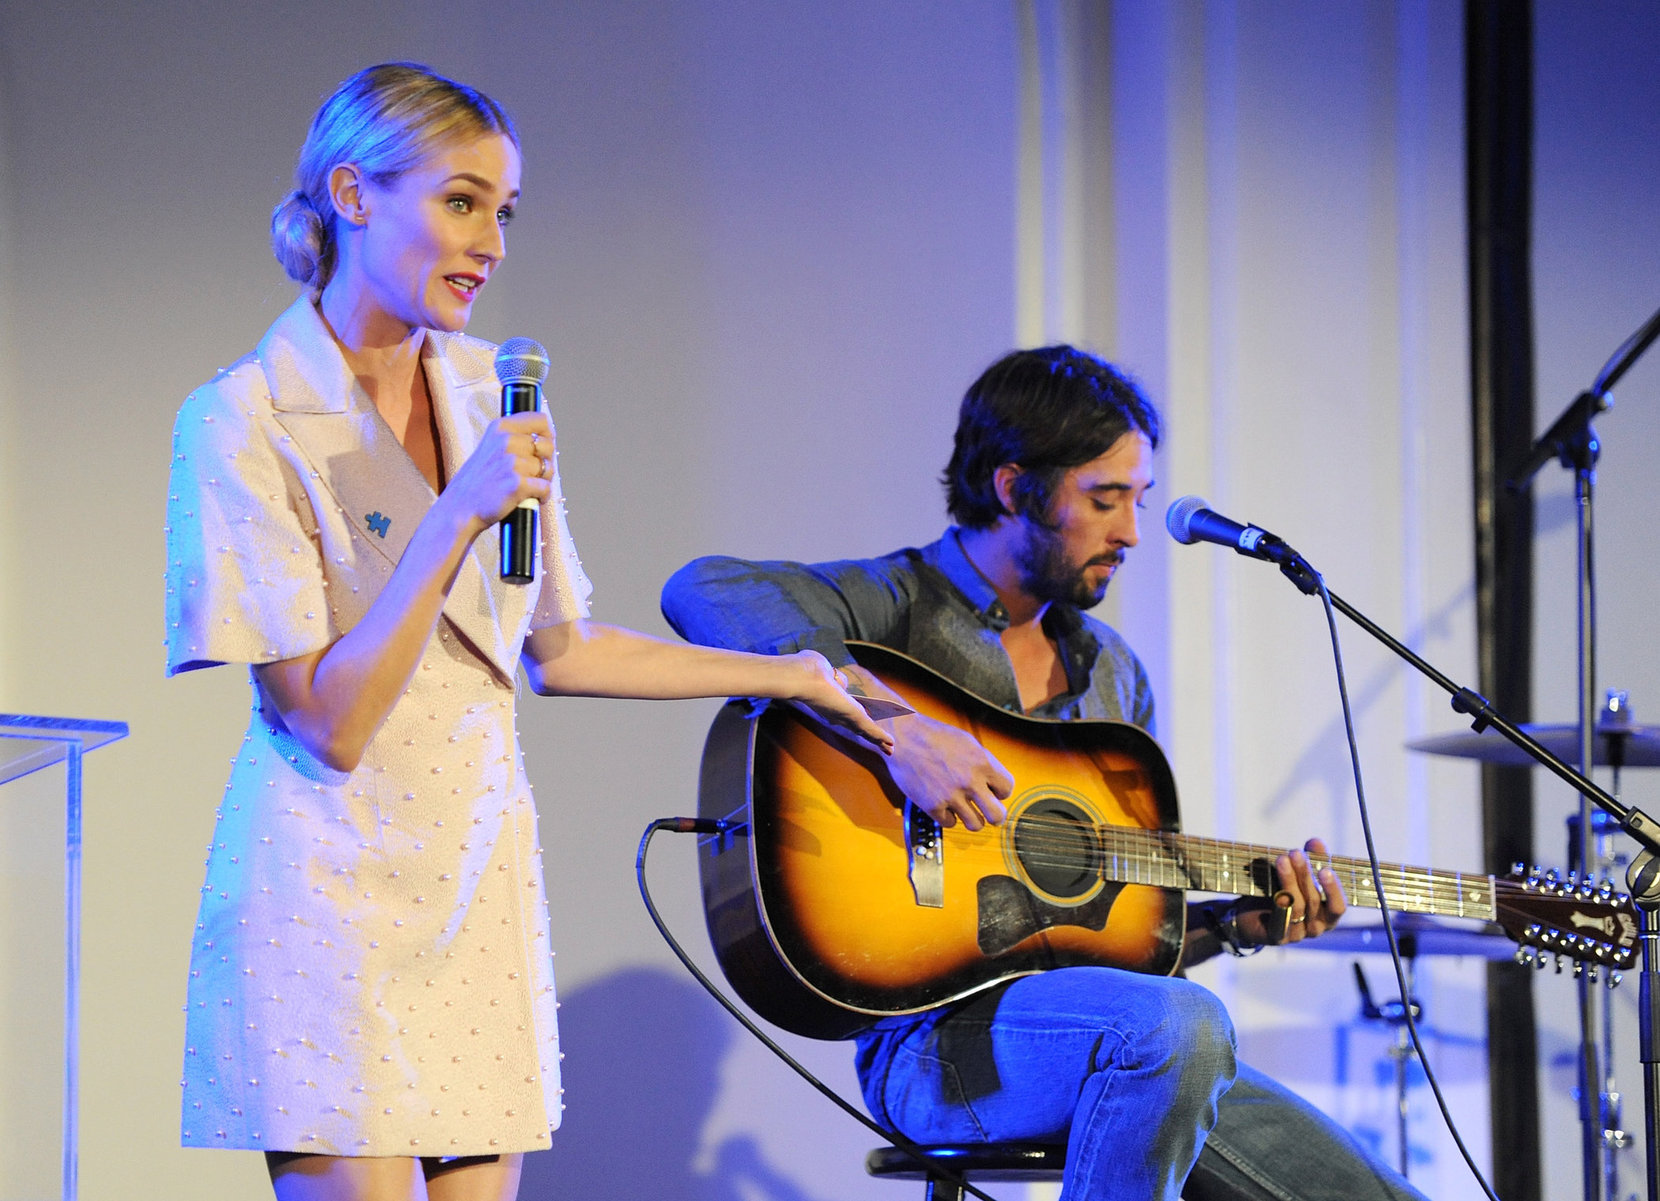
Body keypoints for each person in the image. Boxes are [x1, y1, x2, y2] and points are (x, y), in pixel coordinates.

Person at [163, 63, 891, 1201]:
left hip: (474, 877)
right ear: (352, 195)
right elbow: (326, 723)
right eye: (460, 202)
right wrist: (455, 515)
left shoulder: (489, 393)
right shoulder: (246, 416)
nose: (490, 243)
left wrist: (787, 673)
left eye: (505, 212)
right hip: (328, 887)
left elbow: (560, 648)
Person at [660, 346, 1428, 1201]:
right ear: (1012, 485)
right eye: (1104, 499)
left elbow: (1117, 941)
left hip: (1128, 1038)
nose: (1131, 532)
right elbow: (704, 589)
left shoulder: (1112, 674)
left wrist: (1236, 926)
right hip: (933, 1045)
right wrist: (897, 729)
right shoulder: (894, 604)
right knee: (1177, 1029)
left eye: (1138, 500)